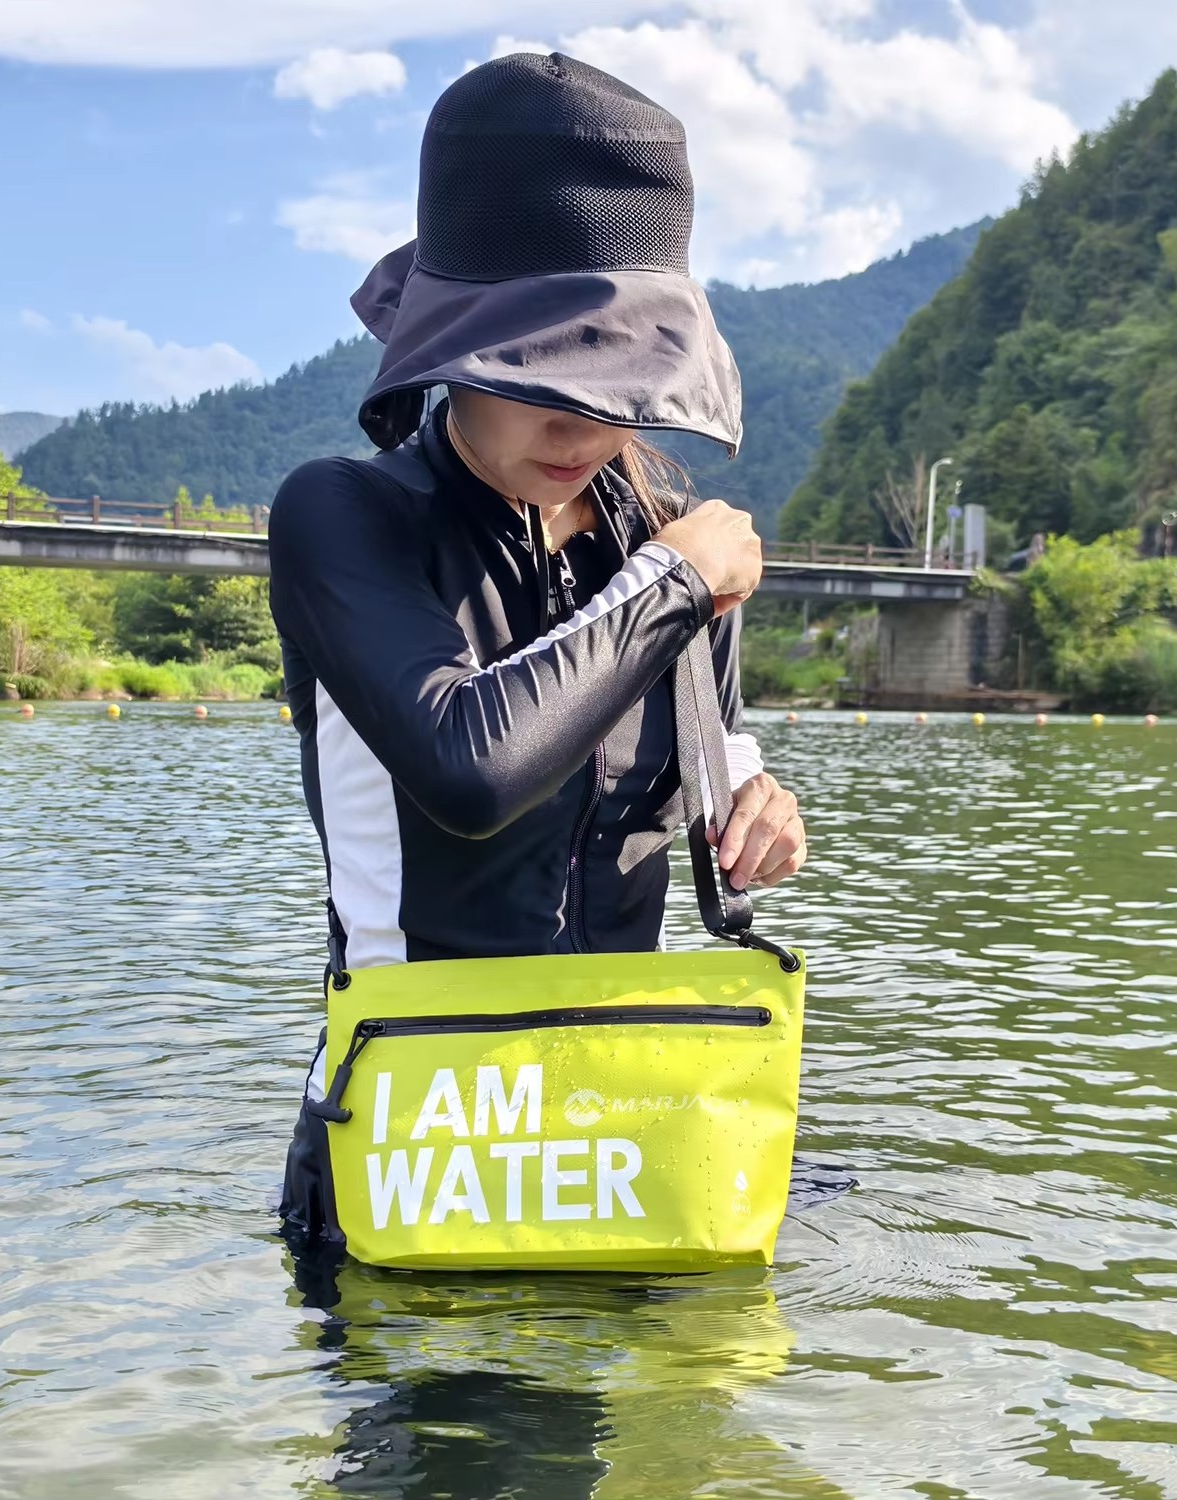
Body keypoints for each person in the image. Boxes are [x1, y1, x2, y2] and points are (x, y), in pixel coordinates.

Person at [268, 50, 808, 1248]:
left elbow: (716, 768)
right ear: (453, 350)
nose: (584, 421)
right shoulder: (346, 517)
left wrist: (759, 811)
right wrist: (676, 585)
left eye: (618, 376)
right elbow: (471, 768)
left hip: (622, 1131)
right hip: (415, 1137)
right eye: (540, 371)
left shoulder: (665, 541)